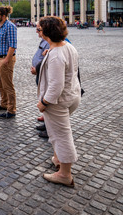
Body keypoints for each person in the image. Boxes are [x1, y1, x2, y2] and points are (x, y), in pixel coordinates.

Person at [36, 16, 80, 187]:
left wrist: (44, 103)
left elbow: (56, 85)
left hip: (58, 102)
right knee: (58, 132)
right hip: (72, 96)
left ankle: (64, 174)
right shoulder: (67, 47)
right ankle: (58, 158)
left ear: (47, 31)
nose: (37, 33)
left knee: (62, 135)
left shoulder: (56, 55)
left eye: (39, 30)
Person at [0, 6, 18, 119]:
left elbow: (12, 46)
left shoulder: (10, 27)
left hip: (6, 59)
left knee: (8, 85)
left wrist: (6, 60)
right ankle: (4, 104)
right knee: (0, 83)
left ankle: (11, 110)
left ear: (3, 16)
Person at [31, 23, 50, 137]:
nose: (37, 31)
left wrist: (37, 69)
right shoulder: (44, 40)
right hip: (40, 73)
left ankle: (50, 128)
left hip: (45, 74)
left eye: (39, 29)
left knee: (48, 102)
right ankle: (47, 122)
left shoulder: (52, 42)